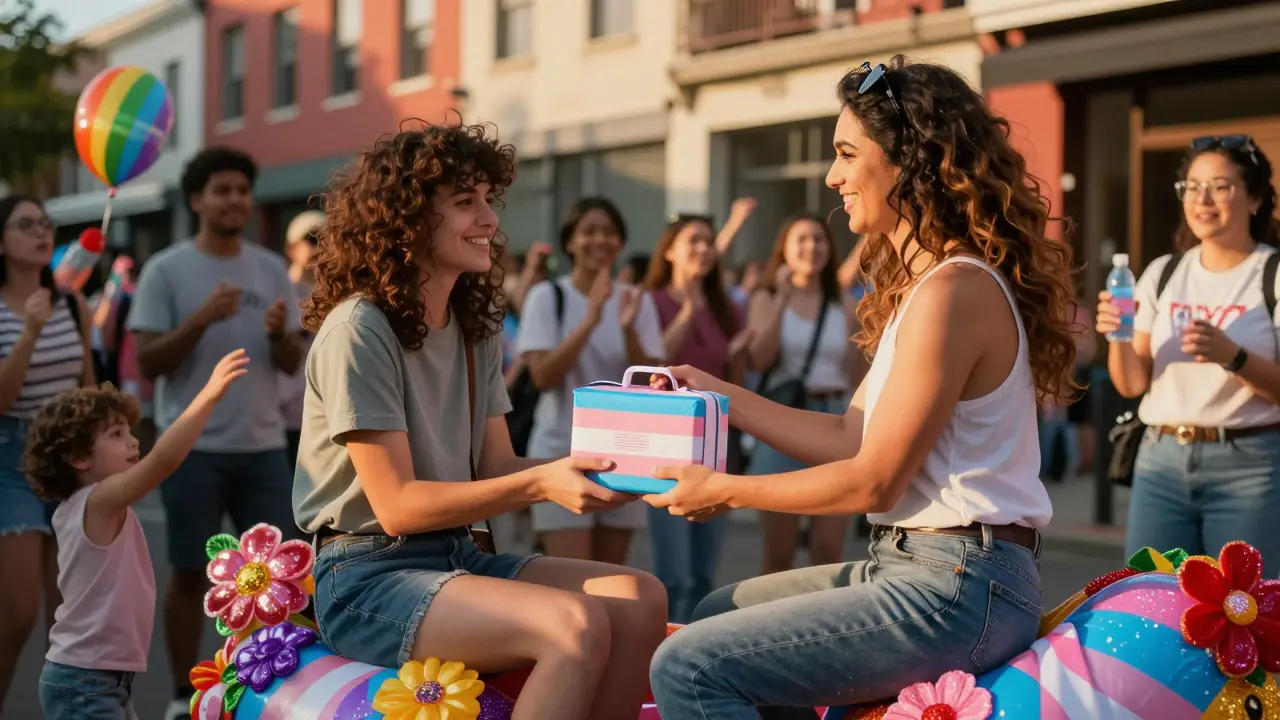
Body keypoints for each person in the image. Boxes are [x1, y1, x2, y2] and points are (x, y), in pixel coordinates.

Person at [645, 57, 1078, 717]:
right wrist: (716, 394)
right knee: (712, 612)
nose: (832, 176)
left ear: (908, 162)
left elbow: (872, 480)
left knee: (689, 664)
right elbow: (849, 435)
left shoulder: (954, 291)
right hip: (927, 571)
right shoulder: (926, 288)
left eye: (848, 154)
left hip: (959, 589)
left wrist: (726, 490)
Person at [296, 122, 668, 720]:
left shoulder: (475, 329)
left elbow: (498, 466)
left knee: (640, 595)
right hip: (365, 577)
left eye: (488, 201)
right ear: (409, 220)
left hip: (455, 556)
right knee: (571, 625)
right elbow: (396, 506)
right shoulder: (358, 329)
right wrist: (542, 483)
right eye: (465, 203)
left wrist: (630, 469)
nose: (490, 219)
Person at [126, 147, 307, 720]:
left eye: (241, 190)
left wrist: (282, 335)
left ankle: (276, 683)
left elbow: (289, 362)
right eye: (222, 190)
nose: (235, 200)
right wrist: (200, 319)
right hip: (193, 449)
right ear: (197, 200)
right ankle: (183, 692)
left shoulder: (270, 267)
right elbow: (148, 362)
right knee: (188, 571)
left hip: (263, 448)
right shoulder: (166, 269)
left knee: (283, 574)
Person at [26, 351, 247, 719]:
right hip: (85, 681)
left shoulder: (89, 504)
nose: (132, 441)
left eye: (129, 431)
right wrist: (208, 395)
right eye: (116, 434)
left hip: (99, 678)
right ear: (80, 457)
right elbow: (162, 462)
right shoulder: (97, 501)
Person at [1096, 135, 1280, 563]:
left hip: (1250, 466)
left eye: (1219, 186)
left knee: (1244, 610)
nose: (1202, 198)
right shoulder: (1164, 272)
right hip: (1160, 461)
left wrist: (1233, 356)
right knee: (1151, 600)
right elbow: (1131, 384)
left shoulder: (1271, 275)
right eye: (1192, 187)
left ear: (1253, 199)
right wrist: (1118, 335)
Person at [516, 198, 665, 564]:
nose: (600, 240)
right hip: (561, 451)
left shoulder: (636, 300)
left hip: (627, 454)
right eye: (589, 232)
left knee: (611, 580)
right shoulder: (547, 297)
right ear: (570, 242)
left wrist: (629, 330)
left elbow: (655, 384)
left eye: (610, 233)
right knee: (575, 581)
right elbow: (543, 376)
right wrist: (591, 319)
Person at [0, 195, 93, 713]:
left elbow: (86, 386)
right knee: (15, 616)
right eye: (24, 224)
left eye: (44, 223)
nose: (40, 232)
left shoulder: (71, 303)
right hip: (9, 459)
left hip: (68, 458)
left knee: (71, 615)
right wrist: (29, 332)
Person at [642, 214, 752, 622]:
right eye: (693, 240)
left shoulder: (727, 307)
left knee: (705, 573)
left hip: (717, 443)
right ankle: (658, 649)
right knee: (673, 572)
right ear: (669, 250)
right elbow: (652, 363)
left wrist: (741, 353)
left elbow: (735, 384)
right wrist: (687, 311)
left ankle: (693, 645)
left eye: (709, 241)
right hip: (667, 446)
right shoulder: (652, 302)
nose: (703, 249)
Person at [745, 213, 862, 573]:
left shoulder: (842, 304)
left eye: (819, 239)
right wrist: (782, 300)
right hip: (783, 422)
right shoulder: (765, 297)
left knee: (827, 553)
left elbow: (858, 373)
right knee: (778, 556)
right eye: (802, 239)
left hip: (834, 418)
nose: (812, 246)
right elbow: (759, 360)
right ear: (784, 250)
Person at [279, 210, 324, 472]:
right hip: (286, 414)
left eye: (327, 238)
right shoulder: (281, 288)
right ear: (291, 248)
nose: (320, 246)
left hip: (322, 412)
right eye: (312, 239)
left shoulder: (338, 291)